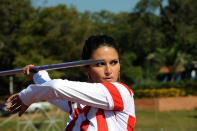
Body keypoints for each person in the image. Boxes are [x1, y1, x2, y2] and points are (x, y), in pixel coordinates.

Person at [6, 35, 135, 131]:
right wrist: (37, 74)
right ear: (86, 68)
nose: (108, 71)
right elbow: (52, 87)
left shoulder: (121, 93)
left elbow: (56, 87)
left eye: (114, 62)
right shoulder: (78, 103)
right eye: (100, 64)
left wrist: (26, 96)